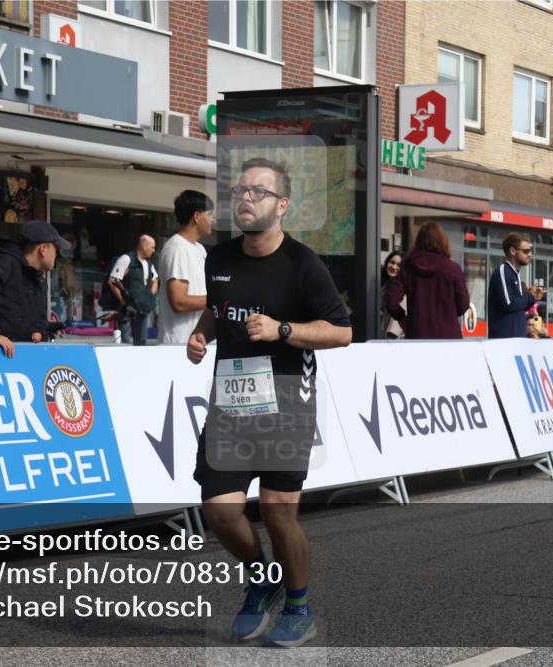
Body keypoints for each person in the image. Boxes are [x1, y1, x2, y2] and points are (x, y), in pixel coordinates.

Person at [186, 157, 351, 647]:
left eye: (258, 191)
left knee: (279, 514)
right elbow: (217, 315)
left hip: (287, 402)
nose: (245, 198)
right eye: (241, 190)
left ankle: (298, 605)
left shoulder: (303, 264)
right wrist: (200, 336)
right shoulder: (218, 259)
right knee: (219, 511)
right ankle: (262, 578)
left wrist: (284, 330)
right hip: (232, 403)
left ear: (282, 206)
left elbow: (341, 332)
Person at [0, 220, 66, 358]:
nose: (57, 253)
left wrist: (39, 330)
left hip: (19, 357)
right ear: (43, 249)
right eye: (55, 248)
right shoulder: (5, 263)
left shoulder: (39, 276)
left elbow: (39, 312)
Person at [384, 222, 469, 339]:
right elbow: (463, 304)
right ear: (443, 241)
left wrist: (403, 319)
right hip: (449, 338)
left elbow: (391, 301)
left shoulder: (408, 267)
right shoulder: (453, 269)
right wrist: (447, 315)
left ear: (418, 241)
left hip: (417, 335)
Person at [158, 190, 213, 344]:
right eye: (209, 214)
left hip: (198, 343)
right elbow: (179, 302)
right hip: (179, 344)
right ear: (197, 216)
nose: (213, 219)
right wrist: (217, 299)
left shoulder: (199, 249)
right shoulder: (176, 248)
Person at [487, 233, 544, 338]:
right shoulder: (504, 270)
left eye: (530, 251)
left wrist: (532, 297)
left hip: (515, 339)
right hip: (504, 341)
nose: (530, 254)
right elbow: (509, 304)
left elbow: (517, 307)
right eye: (526, 251)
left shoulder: (514, 273)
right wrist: (530, 296)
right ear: (512, 251)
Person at [109, 234, 158, 345]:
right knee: (124, 343)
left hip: (142, 309)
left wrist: (149, 296)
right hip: (126, 309)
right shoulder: (126, 259)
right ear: (144, 246)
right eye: (152, 247)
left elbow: (155, 279)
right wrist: (123, 301)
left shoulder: (149, 264)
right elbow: (112, 280)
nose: (153, 250)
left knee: (141, 343)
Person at [379, 251, 404, 339]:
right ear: (387, 262)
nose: (394, 267)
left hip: (392, 336)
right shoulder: (380, 280)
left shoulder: (404, 286)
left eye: (398, 265)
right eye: (392, 262)